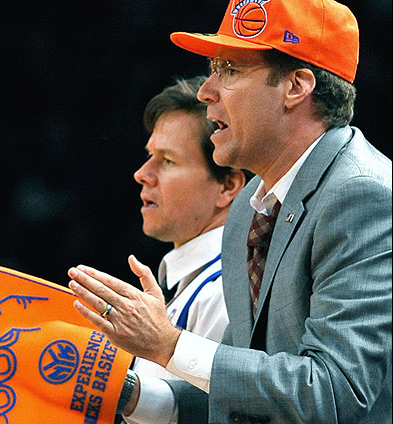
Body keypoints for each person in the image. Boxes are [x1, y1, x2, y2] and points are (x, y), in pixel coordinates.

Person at [67, 0, 392, 423]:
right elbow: (248, 392)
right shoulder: (249, 206)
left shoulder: (363, 195)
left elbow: (332, 392)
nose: (206, 91)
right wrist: (125, 394)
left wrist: (169, 345)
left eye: (229, 69)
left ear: (296, 87)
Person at [119, 76, 249, 423]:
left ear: (228, 186)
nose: (142, 174)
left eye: (168, 161)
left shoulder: (223, 292)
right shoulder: (194, 284)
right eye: (150, 156)